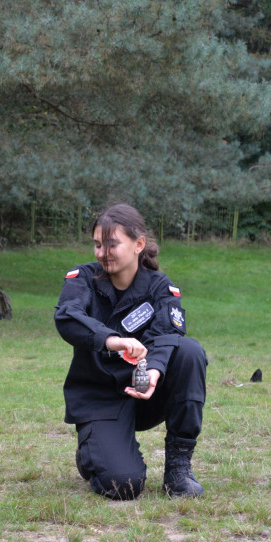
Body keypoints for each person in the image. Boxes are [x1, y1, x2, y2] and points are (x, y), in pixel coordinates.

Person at [54, 204, 207, 500]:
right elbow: (67, 317)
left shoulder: (161, 288)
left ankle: (178, 469)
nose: (103, 252)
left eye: (112, 244)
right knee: (123, 485)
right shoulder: (82, 279)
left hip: (146, 395)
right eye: (98, 245)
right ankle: (93, 452)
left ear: (138, 245)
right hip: (100, 398)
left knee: (189, 351)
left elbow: (168, 333)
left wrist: (154, 370)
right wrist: (113, 339)